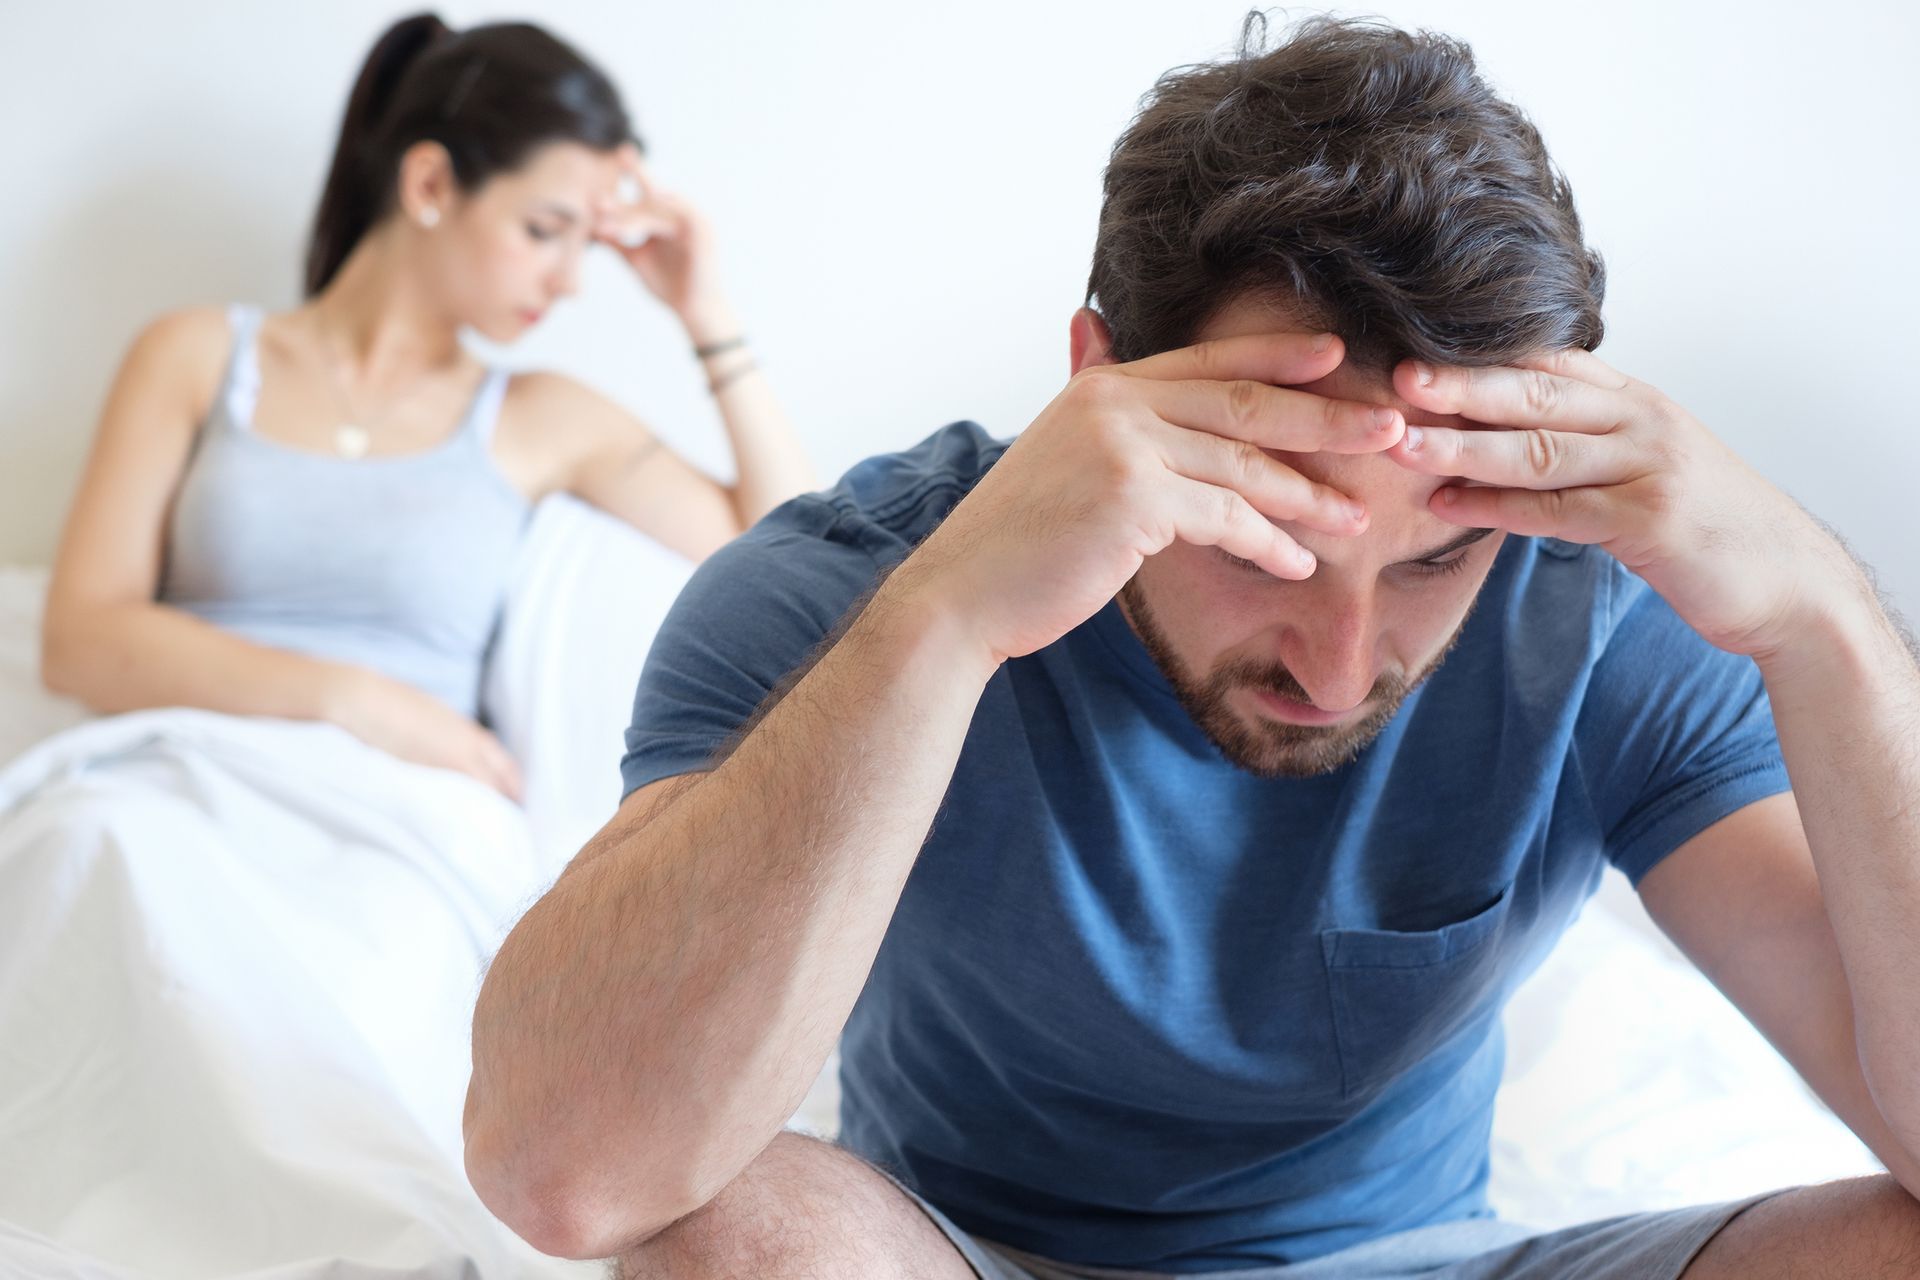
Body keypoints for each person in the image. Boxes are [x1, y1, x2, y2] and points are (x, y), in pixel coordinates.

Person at [462, 15, 1920, 1278]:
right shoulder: (846, 591)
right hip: (970, 1255)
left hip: (1426, 1263)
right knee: (736, 1235)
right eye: (1259, 536)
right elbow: (570, 1176)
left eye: (1433, 559)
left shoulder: (1589, 611)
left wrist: (1826, 617)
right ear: (1100, 382)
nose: (1344, 668)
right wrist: (949, 618)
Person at [38, 13, 815, 801]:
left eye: (587, 242)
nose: (571, 280)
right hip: (170, 782)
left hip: (394, 823)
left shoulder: (541, 418)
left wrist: (705, 310)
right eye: (546, 230)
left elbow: (796, 567)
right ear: (430, 185)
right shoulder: (195, 358)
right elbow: (80, 640)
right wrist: (352, 700)